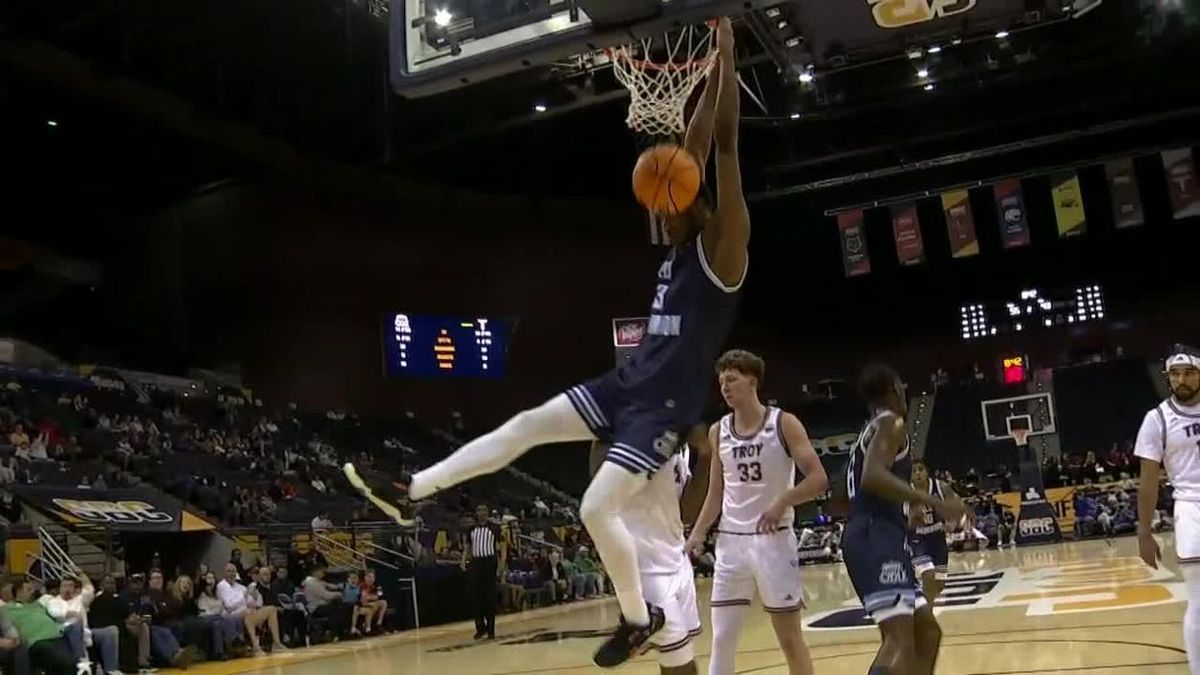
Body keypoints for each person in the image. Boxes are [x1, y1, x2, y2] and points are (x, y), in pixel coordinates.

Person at [340, 17, 749, 667]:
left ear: (689, 204)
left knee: (592, 506)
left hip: (662, 404)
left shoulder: (721, 249)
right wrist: (698, 93)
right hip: (628, 383)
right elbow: (693, 148)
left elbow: (722, 144)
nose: (655, 209)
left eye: (666, 203)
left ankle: (637, 620)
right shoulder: (672, 244)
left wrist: (726, 58)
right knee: (525, 425)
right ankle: (409, 486)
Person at [686, 349, 827, 675]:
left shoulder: (784, 423)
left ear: (752, 381)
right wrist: (697, 533)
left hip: (773, 541)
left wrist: (783, 502)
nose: (724, 386)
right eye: (721, 381)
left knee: (790, 638)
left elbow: (819, 479)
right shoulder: (718, 431)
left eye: (732, 379)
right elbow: (716, 493)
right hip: (731, 543)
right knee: (721, 639)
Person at [843, 364, 964, 675]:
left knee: (927, 632)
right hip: (875, 534)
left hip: (879, 532)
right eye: (901, 386)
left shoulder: (869, 430)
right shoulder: (891, 423)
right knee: (900, 640)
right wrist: (931, 500)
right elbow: (872, 477)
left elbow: (846, 493)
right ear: (893, 390)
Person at [588, 422, 711, 674]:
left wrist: (707, 457)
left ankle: (639, 627)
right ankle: (639, 622)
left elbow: (687, 512)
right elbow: (598, 484)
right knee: (680, 664)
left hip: (675, 557)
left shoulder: (683, 441)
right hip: (642, 565)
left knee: (679, 660)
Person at [1136, 344, 1200, 672]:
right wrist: (1144, 532)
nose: (1181, 380)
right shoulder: (1157, 419)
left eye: (1188, 372)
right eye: (1175, 374)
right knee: (1199, 601)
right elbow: (1148, 482)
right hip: (1191, 508)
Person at [908, 460, 957, 605]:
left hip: (938, 538)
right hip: (918, 538)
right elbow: (903, 523)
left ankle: (921, 604)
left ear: (926, 472)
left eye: (920, 469)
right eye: (914, 471)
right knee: (928, 574)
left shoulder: (941, 487)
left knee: (939, 584)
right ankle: (925, 613)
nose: (918, 473)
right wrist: (912, 516)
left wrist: (951, 523)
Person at [5, 580, 77, 675]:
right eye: (28, 589)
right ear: (19, 592)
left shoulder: (38, 605)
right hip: (37, 640)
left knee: (75, 661)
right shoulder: (7, 609)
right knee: (66, 662)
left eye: (32, 589)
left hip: (58, 636)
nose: (32, 592)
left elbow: (55, 607)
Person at [464, 505, 504, 640]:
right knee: (475, 597)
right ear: (476, 513)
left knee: (489, 597)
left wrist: (501, 566)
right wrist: (464, 560)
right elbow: (468, 546)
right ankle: (480, 628)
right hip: (476, 563)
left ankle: (491, 629)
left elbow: (501, 548)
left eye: (484, 511)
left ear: (487, 513)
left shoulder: (494, 528)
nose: (482, 513)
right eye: (479, 511)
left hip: (489, 562)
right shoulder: (471, 529)